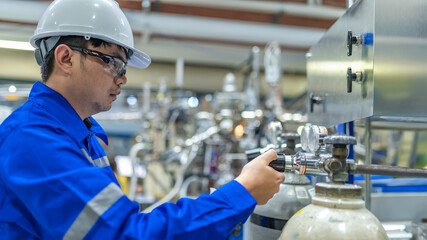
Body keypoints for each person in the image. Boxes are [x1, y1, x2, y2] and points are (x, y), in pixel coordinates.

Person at [0, 0, 285, 239]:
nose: (123, 78)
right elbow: (126, 234)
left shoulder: (84, 135)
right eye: (113, 61)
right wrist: (241, 193)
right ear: (65, 58)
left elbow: (116, 221)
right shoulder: (34, 139)